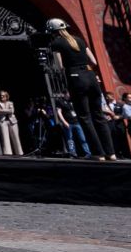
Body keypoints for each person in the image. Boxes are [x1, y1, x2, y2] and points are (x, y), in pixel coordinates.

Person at [44, 18, 116, 160]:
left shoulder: (56, 43)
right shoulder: (80, 40)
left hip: (76, 78)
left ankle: (98, 153)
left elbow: (59, 66)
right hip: (90, 76)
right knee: (99, 116)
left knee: (84, 117)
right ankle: (111, 153)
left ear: (53, 31)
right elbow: (94, 61)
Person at [0, 89, 21, 155]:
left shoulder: (10, 102)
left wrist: (2, 110)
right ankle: (8, 153)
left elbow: (12, 111)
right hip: (3, 121)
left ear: (6, 96)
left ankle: (19, 153)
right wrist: (7, 110)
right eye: (0, 96)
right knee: (5, 138)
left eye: (3, 96)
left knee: (15, 137)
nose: (1, 97)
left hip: (12, 121)